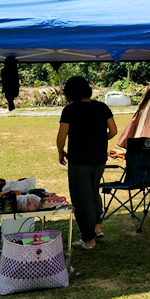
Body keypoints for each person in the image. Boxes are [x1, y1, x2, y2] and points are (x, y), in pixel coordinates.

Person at [56, 76, 117, 250]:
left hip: (79, 160)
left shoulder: (70, 110)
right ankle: (97, 226)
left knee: (82, 198)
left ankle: (89, 239)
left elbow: (61, 137)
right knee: (93, 191)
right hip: (98, 159)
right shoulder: (102, 107)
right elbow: (113, 130)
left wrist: (61, 152)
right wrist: (99, 140)